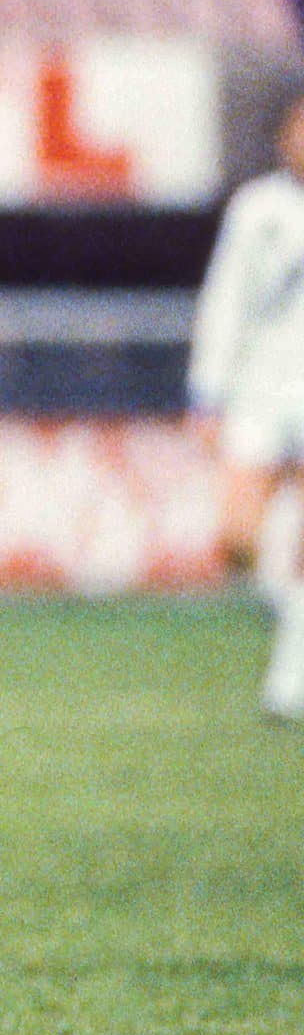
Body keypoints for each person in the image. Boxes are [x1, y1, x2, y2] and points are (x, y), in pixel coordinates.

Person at [191, 97, 304, 724]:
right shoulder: (257, 207)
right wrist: (206, 390)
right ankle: (287, 611)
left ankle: (288, 687)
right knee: (237, 539)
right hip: (259, 391)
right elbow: (224, 298)